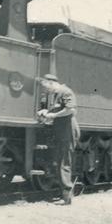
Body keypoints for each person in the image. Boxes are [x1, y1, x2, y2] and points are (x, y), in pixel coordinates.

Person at [37, 74, 80, 205]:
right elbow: (57, 109)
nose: (46, 90)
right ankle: (63, 194)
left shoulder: (65, 91)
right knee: (59, 161)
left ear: (51, 83)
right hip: (60, 130)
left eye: (46, 87)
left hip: (68, 130)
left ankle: (67, 198)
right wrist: (44, 111)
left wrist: (53, 115)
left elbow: (70, 110)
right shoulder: (55, 95)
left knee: (64, 163)